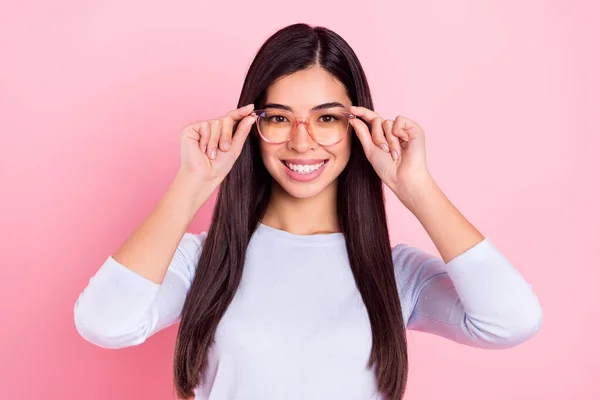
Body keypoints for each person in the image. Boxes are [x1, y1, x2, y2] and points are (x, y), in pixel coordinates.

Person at [73, 23, 543, 400]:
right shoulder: (204, 262)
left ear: (357, 125)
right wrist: (193, 183)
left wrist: (414, 186)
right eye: (278, 118)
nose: (302, 140)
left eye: (327, 118)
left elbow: (511, 321)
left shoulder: (396, 273)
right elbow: (104, 323)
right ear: (251, 126)